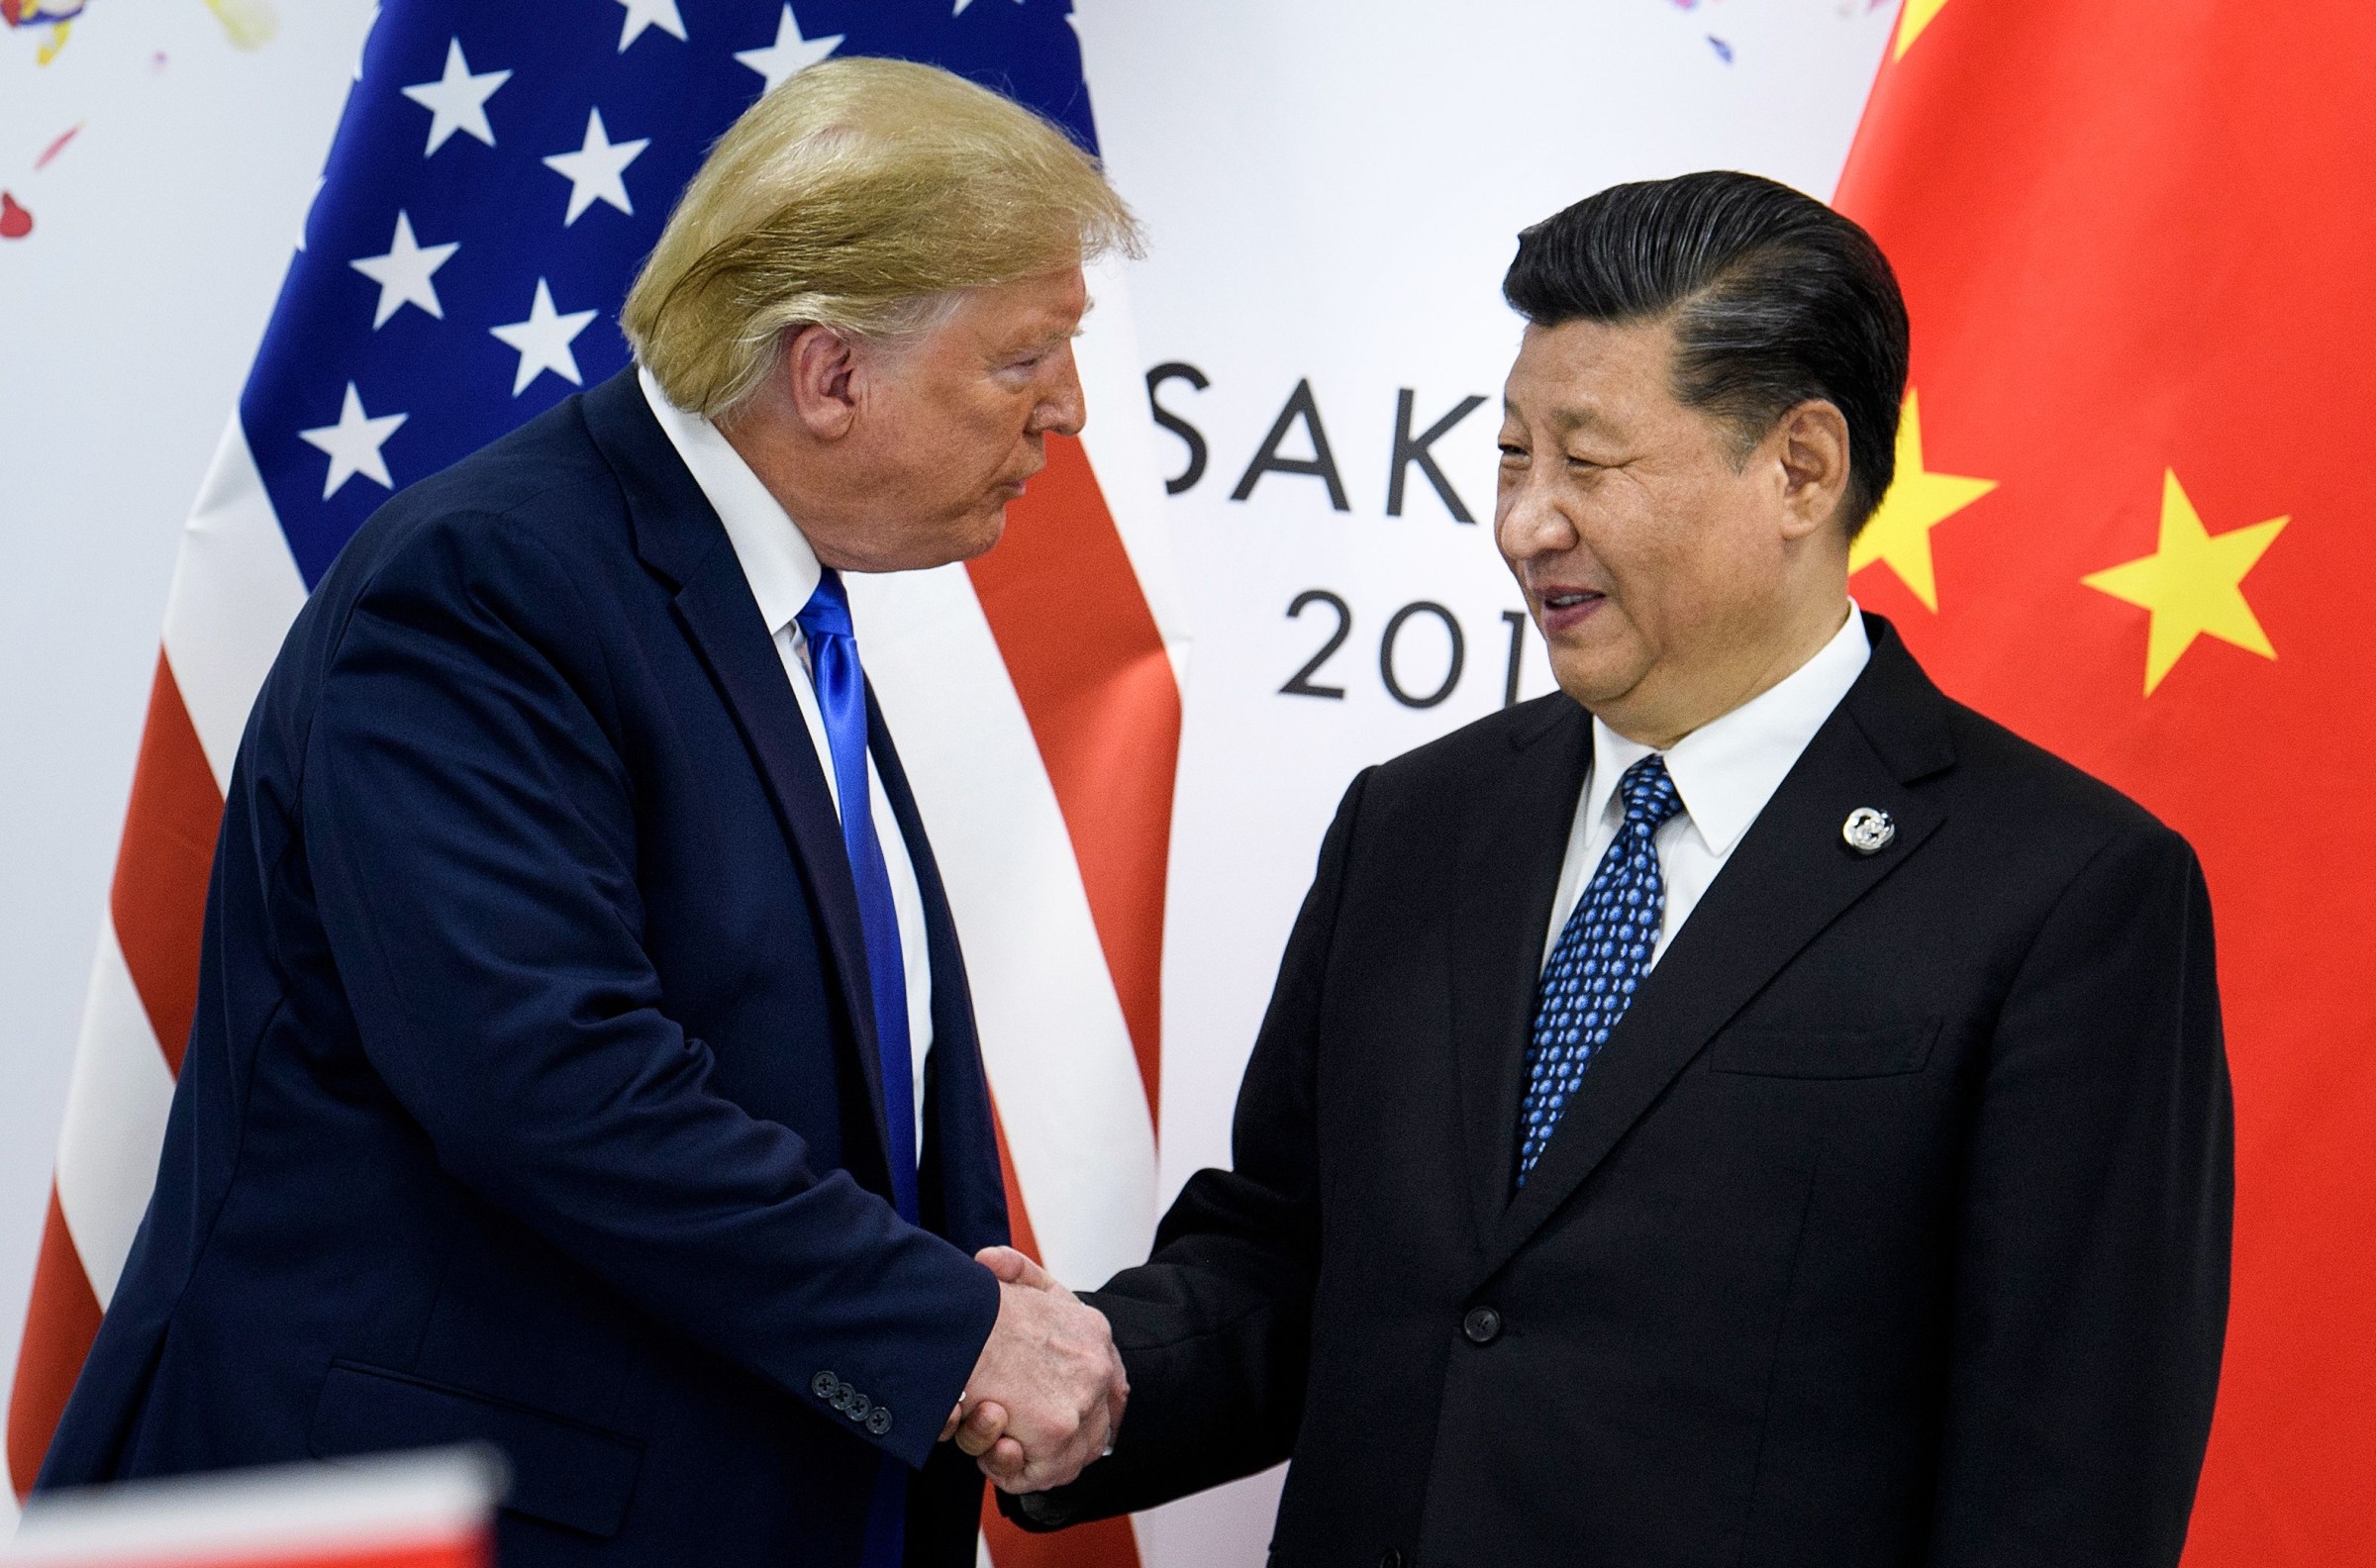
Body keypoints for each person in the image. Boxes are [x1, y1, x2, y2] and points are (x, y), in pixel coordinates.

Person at [992, 172, 2233, 1566]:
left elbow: (2065, 1478)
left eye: (1588, 461)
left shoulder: (2067, 894)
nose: (1526, 523)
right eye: (1513, 455)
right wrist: (1077, 1371)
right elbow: (1292, 1259)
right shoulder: (1415, 822)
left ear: (1802, 469)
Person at [38, 58, 1132, 1568]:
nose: (1067, 413)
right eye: (1026, 361)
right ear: (828, 375)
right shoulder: (490, 584)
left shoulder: (759, 611)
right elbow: (547, 1078)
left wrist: (954, 1302)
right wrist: (950, 1331)